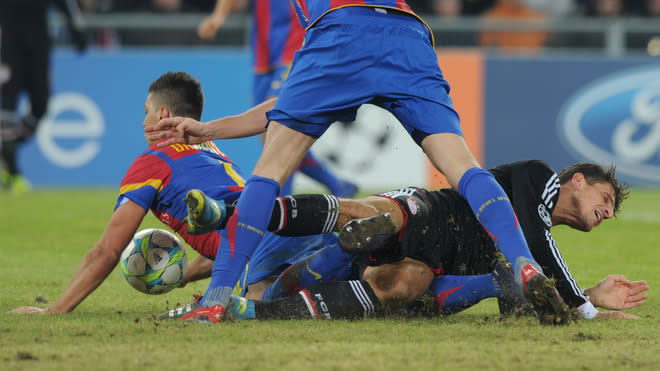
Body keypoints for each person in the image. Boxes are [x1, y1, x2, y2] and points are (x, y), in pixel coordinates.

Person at [147, 0, 566, 324]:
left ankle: (216, 299)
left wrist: (218, 18)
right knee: (465, 167)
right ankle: (522, 262)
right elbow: (284, 104)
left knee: (270, 170)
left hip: (340, 25)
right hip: (409, 33)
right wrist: (210, 129)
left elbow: (285, 109)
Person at [9, 71, 337, 314]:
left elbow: (107, 251)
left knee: (259, 307)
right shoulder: (211, 148)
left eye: (146, 111)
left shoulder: (152, 163)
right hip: (289, 223)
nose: (142, 122)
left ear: (163, 115)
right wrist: (181, 277)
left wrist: (54, 311)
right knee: (351, 276)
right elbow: (228, 243)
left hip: (260, 252)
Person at [170, 160, 648, 323]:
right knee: (367, 213)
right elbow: (540, 250)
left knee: (402, 285)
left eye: (610, 215)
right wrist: (585, 304)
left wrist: (586, 297)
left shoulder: (538, 240)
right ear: (577, 181)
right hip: (436, 212)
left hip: (447, 261)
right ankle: (230, 212)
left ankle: (255, 311)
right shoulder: (536, 178)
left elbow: (540, 277)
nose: (606, 214)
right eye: (605, 199)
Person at [197, 0, 357, 198]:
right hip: (264, 57)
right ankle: (337, 185)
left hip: (296, 49)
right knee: (273, 135)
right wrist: (219, 16)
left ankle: (279, 202)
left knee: (279, 127)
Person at [0, 0, 87, 194]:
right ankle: (12, 171)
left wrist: (75, 29)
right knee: (7, 105)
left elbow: (65, 3)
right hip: (7, 44)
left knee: (41, 106)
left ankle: (8, 147)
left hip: (38, 44)